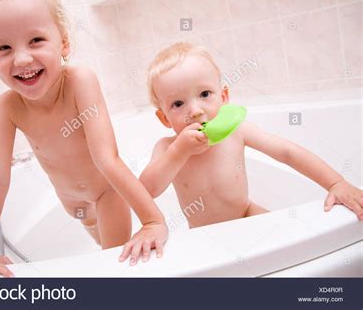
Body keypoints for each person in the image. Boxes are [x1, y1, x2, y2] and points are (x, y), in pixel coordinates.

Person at [0, 0, 167, 277]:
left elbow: (106, 159)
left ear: (63, 42)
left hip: (106, 195)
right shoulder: (7, 107)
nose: (22, 58)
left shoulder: (79, 82)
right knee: (115, 259)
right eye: (4, 48)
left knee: (115, 271)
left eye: (36, 40)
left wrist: (152, 221)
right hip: (72, 203)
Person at [140, 42, 363, 229]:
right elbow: (147, 190)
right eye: (178, 103)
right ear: (165, 118)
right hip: (203, 233)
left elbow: (287, 152)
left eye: (205, 94)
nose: (195, 110)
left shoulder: (237, 131)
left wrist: (335, 183)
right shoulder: (166, 147)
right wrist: (179, 152)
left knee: (289, 235)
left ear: (224, 96)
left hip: (246, 214)